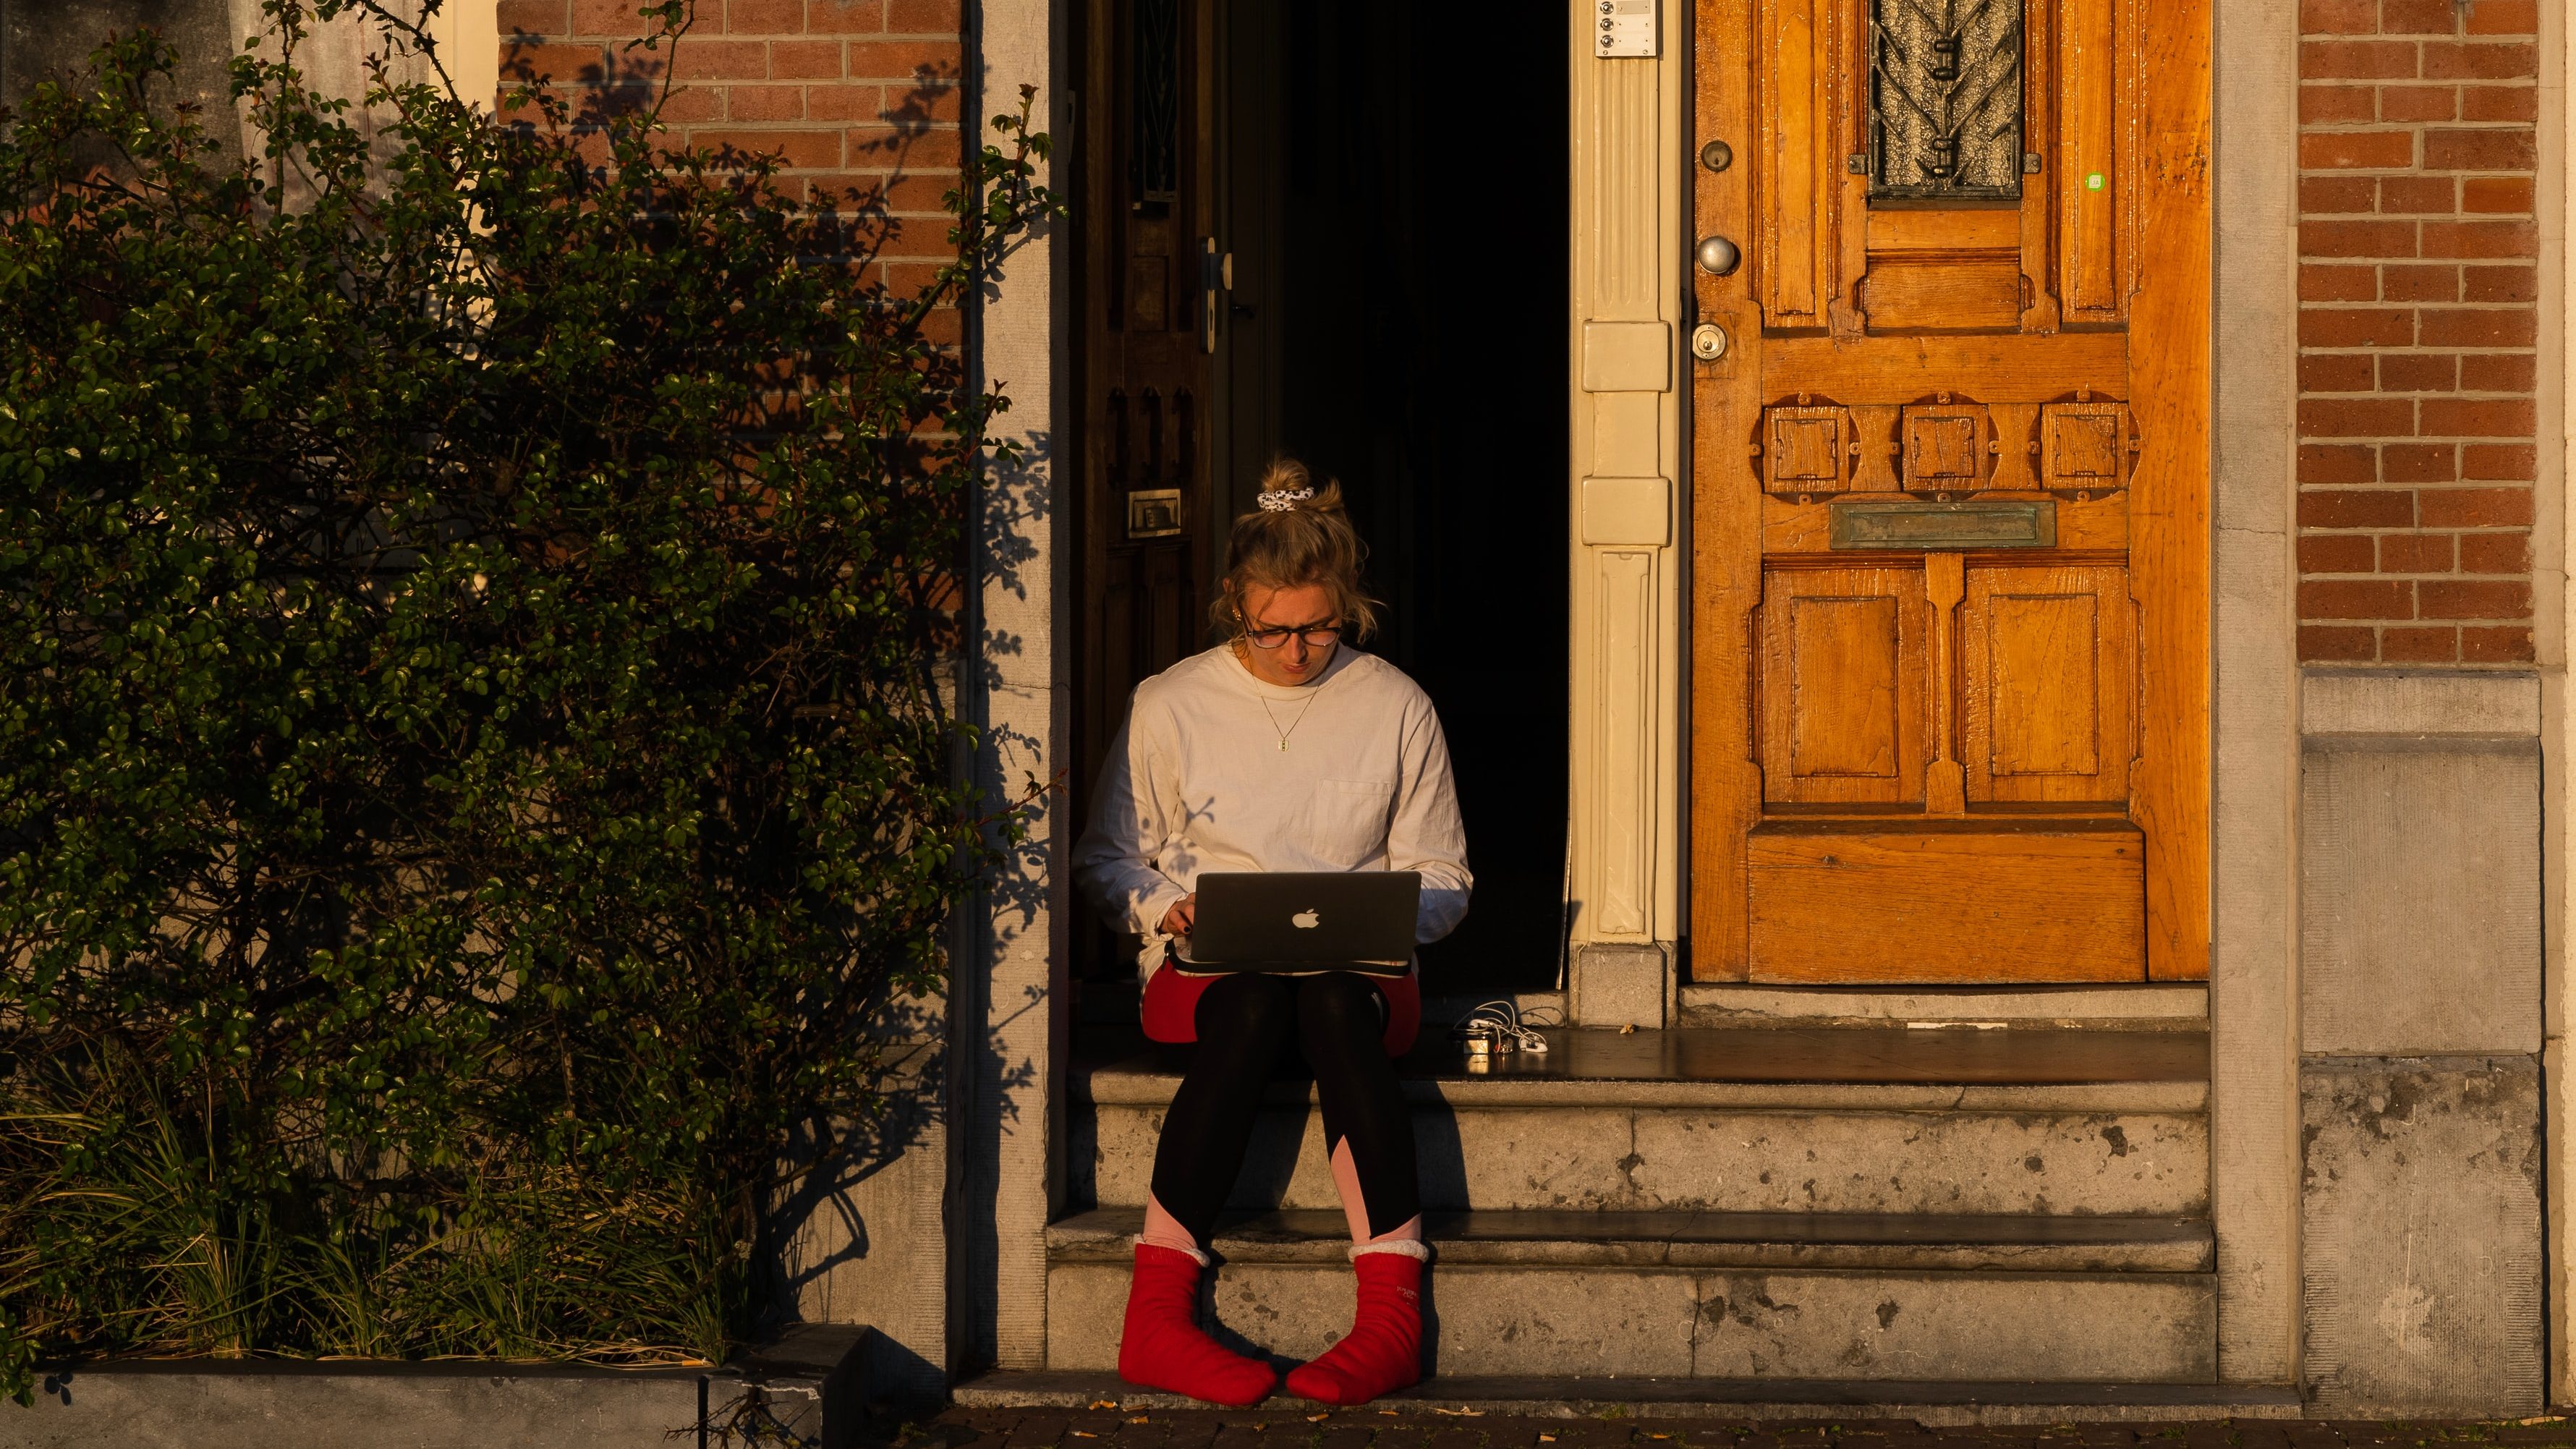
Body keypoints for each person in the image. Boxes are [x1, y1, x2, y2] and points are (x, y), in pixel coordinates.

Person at [1072, 459, 1472, 1407]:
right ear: (1232, 609)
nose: (1297, 652)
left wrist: (1386, 915)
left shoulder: (1394, 704)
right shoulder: (1168, 703)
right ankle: (1156, 1318)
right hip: (1213, 979)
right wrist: (1166, 908)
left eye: (1319, 628)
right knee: (1252, 1005)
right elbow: (1105, 859)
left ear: (1348, 606)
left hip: (1358, 977)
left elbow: (1446, 874)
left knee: (1333, 1003)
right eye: (1273, 632)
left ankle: (1389, 1320)